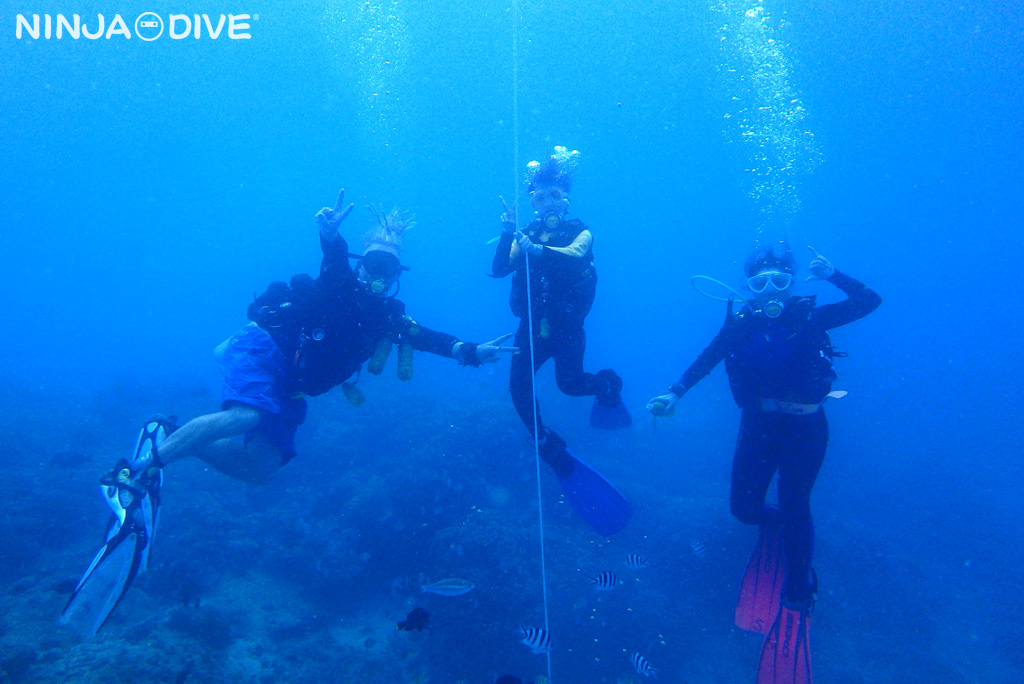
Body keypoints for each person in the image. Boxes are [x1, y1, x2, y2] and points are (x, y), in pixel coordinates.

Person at [62, 189, 517, 635]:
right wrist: (330, 235)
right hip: (264, 352)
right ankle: (138, 473)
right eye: (374, 263)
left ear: (398, 272)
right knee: (245, 417)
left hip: (290, 388)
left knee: (260, 469)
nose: (379, 274)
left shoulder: (389, 317)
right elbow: (334, 261)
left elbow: (428, 338)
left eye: (389, 267)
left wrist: (471, 351)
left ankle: (167, 434)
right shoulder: (340, 283)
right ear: (362, 263)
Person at [647, 242, 881, 684]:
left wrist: (834, 275)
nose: (770, 290)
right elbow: (707, 358)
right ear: (748, 288)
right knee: (743, 510)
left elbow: (869, 302)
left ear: (791, 283)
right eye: (759, 283)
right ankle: (780, 526)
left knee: (796, 503)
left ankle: (801, 589)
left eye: (779, 280)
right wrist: (674, 392)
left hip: (805, 428)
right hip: (757, 426)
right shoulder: (740, 323)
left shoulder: (811, 316)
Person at [488, 147, 633, 536]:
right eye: (540, 197)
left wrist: (537, 250)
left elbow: (574, 255)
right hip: (531, 327)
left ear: (566, 199)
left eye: (555, 195)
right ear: (533, 202)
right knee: (518, 387)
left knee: (569, 385)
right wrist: (508, 232)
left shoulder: (580, 231)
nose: (548, 203)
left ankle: (608, 384)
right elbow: (499, 269)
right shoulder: (525, 234)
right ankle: (545, 442)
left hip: (567, 327)